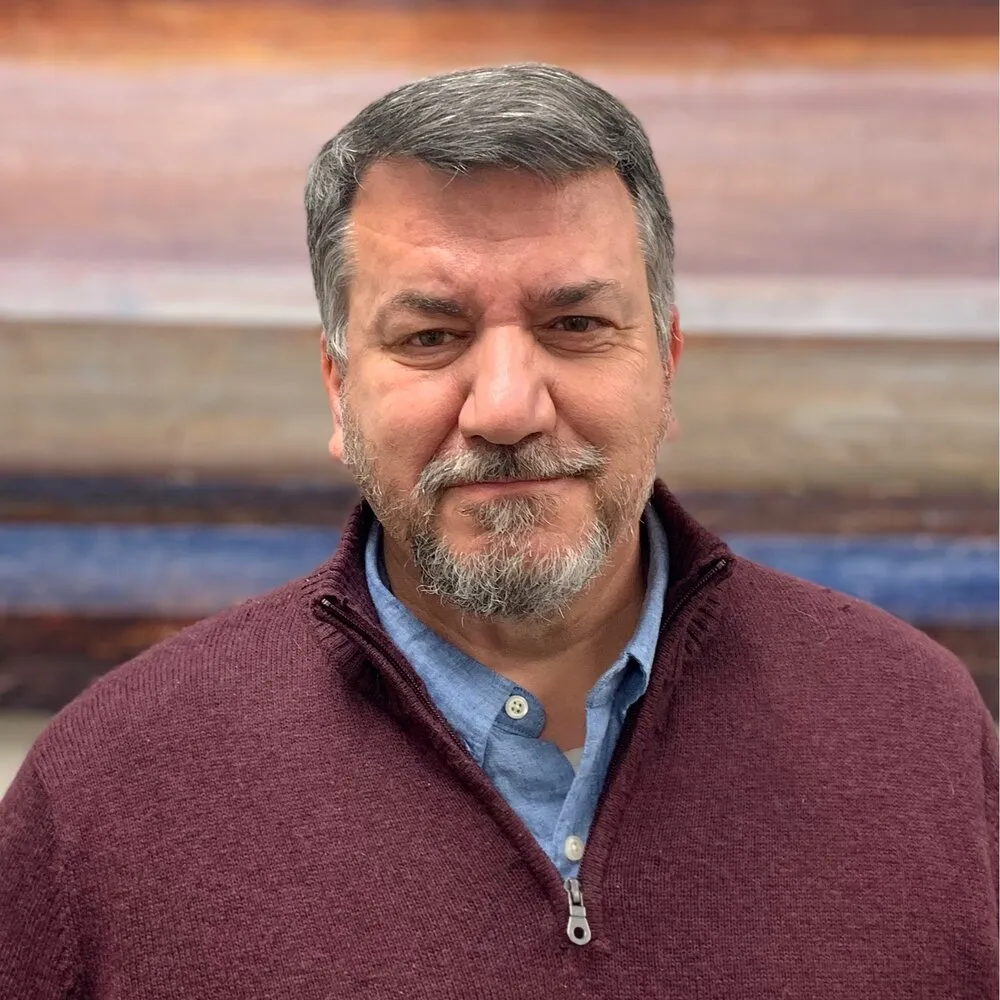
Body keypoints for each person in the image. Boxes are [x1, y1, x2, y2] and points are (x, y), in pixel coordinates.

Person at [1, 64, 996, 1000]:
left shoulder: (917, 733)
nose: (508, 408)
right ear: (339, 389)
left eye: (576, 326)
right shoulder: (114, 786)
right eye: (430, 337)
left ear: (667, 363)